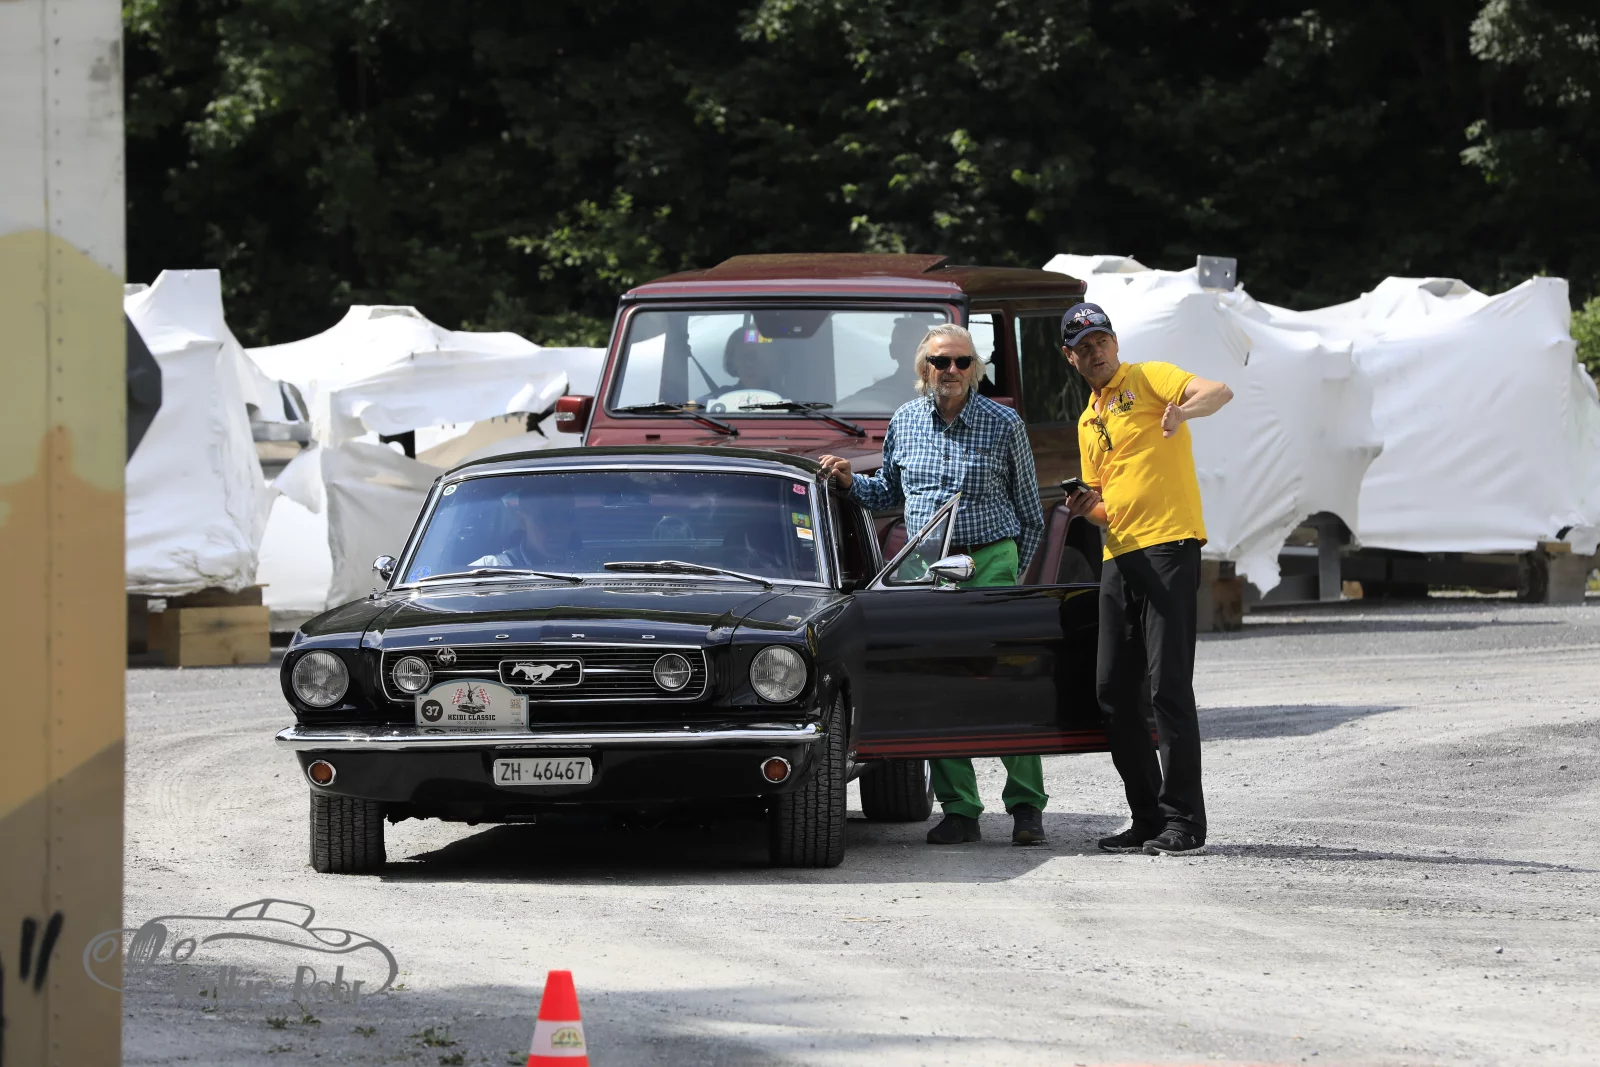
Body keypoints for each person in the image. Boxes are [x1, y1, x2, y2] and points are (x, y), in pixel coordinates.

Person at [818, 323, 1049, 846]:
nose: (951, 371)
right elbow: (888, 494)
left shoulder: (1004, 423)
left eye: (962, 362)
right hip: (929, 567)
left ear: (976, 369)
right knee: (938, 685)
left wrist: (1012, 580)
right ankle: (960, 809)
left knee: (1006, 683)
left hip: (991, 562)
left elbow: (1030, 514)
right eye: (941, 361)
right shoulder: (904, 420)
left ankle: (1026, 808)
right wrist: (851, 483)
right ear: (924, 368)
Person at [1059, 302, 1233, 857]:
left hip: (1169, 547)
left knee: (1168, 688)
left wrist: (1183, 413)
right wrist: (1086, 507)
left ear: (1115, 341)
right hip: (1119, 555)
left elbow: (1219, 391)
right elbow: (1104, 506)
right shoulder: (1088, 420)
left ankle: (1184, 822)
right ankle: (1147, 816)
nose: (1096, 352)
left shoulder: (1149, 377)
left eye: (1101, 341)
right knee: (1113, 691)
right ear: (1070, 357)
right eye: (1084, 347)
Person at [836, 314, 937, 413]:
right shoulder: (873, 396)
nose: (914, 353)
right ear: (893, 350)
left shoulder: (943, 391)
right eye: (907, 346)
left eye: (920, 348)